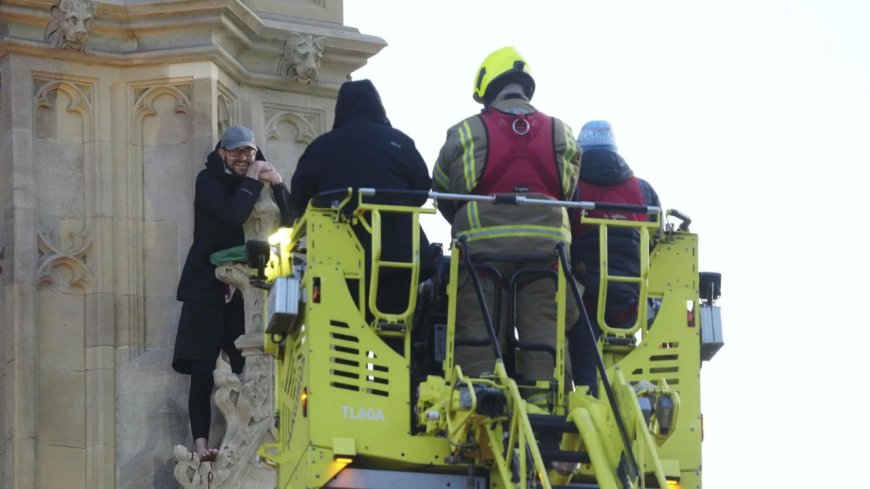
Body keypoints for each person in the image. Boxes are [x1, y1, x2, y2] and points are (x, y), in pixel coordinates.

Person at [431, 46, 580, 388]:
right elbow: (568, 193)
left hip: (481, 253)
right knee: (544, 330)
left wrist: (469, 220)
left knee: (478, 331)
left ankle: (480, 398)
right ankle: (546, 402)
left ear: (488, 89)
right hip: (547, 253)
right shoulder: (562, 132)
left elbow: (441, 191)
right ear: (525, 88)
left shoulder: (465, 131)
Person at [172, 125, 293, 461]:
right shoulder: (207, 179)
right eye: (237, 151)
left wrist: (280, 185)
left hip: (246, 292)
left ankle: (255, 442)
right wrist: (254, 177)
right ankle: (199, 445)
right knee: (201, 368)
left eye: (249, 152)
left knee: (252, 364)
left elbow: (294, 222)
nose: (244, 158)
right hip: (206, 286)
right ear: (223, 152)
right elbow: (231, 214)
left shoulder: (262, 178)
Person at [289, 79, 433, 316]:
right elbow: (420, 192)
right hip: (399, 259)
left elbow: (299, 199)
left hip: (337, 261)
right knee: (396, 335)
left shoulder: (321, 148)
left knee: (338, 337)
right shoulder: (398, 141)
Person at [567, 120, 661, 396]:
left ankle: (589, 407)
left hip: (586, 300)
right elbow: (658, 241)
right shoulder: (644, 191)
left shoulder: (572, 189)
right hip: (630, 302)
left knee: (584, 363)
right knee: (627, 367)